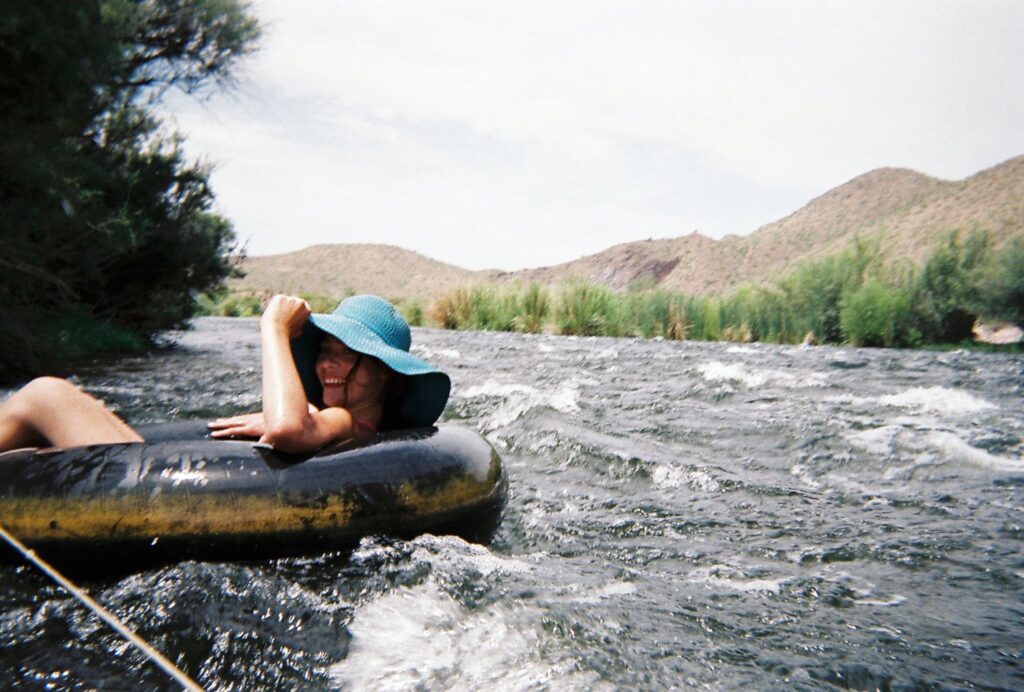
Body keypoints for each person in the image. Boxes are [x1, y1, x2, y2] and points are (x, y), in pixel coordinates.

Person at [0, 294, 450, 455]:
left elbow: (291, 429)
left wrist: (272, 328)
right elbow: (297, 420)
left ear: (388, 376)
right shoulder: (343, 420)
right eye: (324, 351)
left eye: (348, 355)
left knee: (47, 393)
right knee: (81, 407)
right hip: (136, 472)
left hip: (139, 488)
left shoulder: (352, 423)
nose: (327, 364)